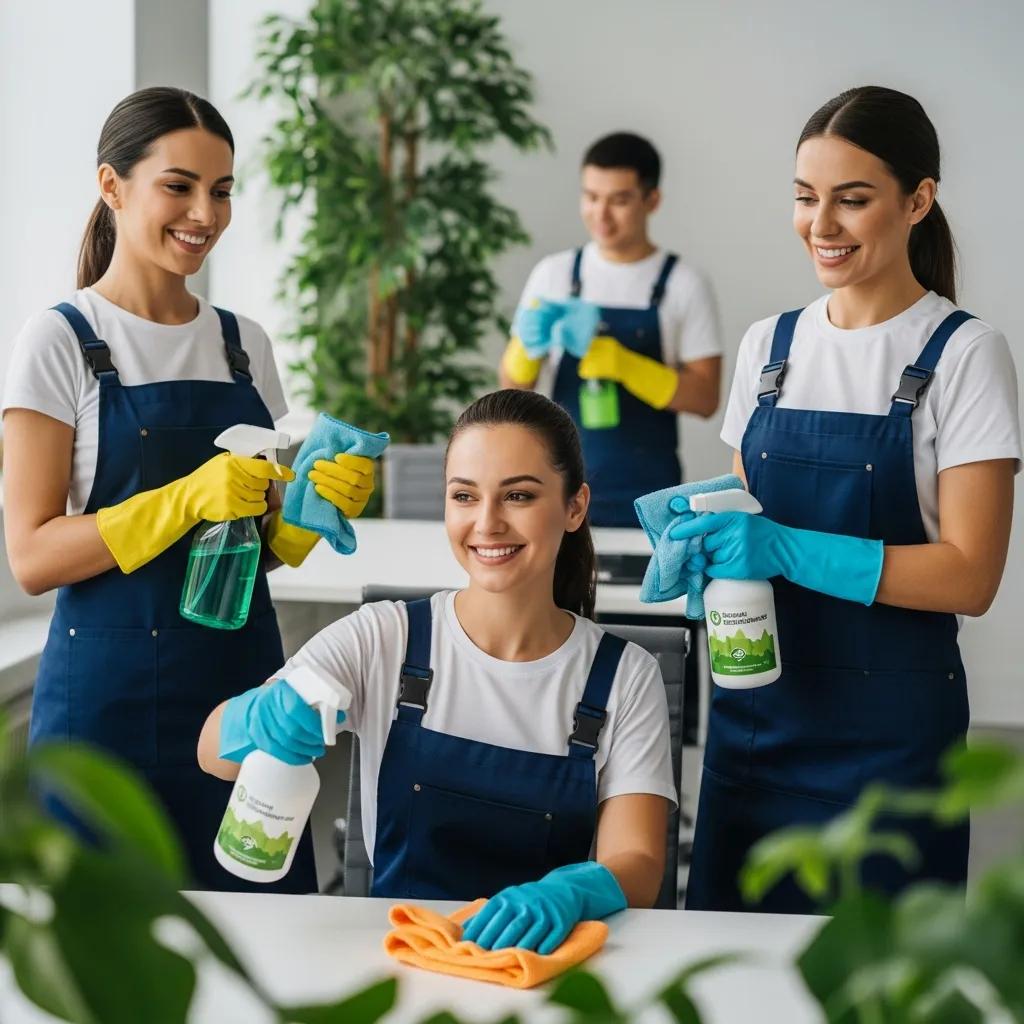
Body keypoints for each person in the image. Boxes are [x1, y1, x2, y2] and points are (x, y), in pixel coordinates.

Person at [1, 87, 374, 893]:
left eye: (223, 188)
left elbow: (250, 554)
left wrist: (304, 518)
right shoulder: (60, 340)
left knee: (262, 946)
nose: (205, 212)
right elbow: (31, 555)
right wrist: (186, 498)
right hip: (103, 713)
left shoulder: (244, 345)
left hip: (240, 702)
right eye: (179, 185)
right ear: (112, 186)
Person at [671, 86, 1020, 913]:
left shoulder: (965, 355)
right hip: (755, 726)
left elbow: (970, 576)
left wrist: (789, 550)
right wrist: (698, 549)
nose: (820, 224)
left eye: (851, 200)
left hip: (891, 750)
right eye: (805, 197)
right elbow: (741, 523)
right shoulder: (770, 347)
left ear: (918, 200)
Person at [199, 390, 676, 949]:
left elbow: (638, 862)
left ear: (575, 507)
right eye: (464, 496)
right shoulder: (385, 638)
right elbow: (213, 754)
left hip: (539, 966)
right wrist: (258, 719)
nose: (487, 523)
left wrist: (577, 891)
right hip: (402, 959)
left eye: (518, 495)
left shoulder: (625, 676)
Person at [499, 132, 722, 527]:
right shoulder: (554, 274)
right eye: (591, 197)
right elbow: (513, 392)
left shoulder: (683, 283)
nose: (600, 214)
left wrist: (626, 365)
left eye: (618, 200)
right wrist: (526, 348)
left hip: (650, 495)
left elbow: (705, 397)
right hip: (559, 489)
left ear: (651, 200)